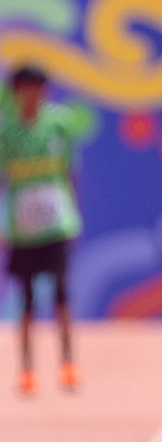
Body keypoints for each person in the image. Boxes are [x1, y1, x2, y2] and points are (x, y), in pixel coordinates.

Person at [1, 66, 86, 395]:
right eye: (25, 88)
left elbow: (70, 171)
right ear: (16, 92)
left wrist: (74, 212)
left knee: (62, 293)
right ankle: (26, 369)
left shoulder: (59, 123)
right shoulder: (6, 131)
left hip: (56, 222)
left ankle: (68, 363)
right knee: (26, 299)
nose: (32, 95)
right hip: (23, 227)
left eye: (37, 88)